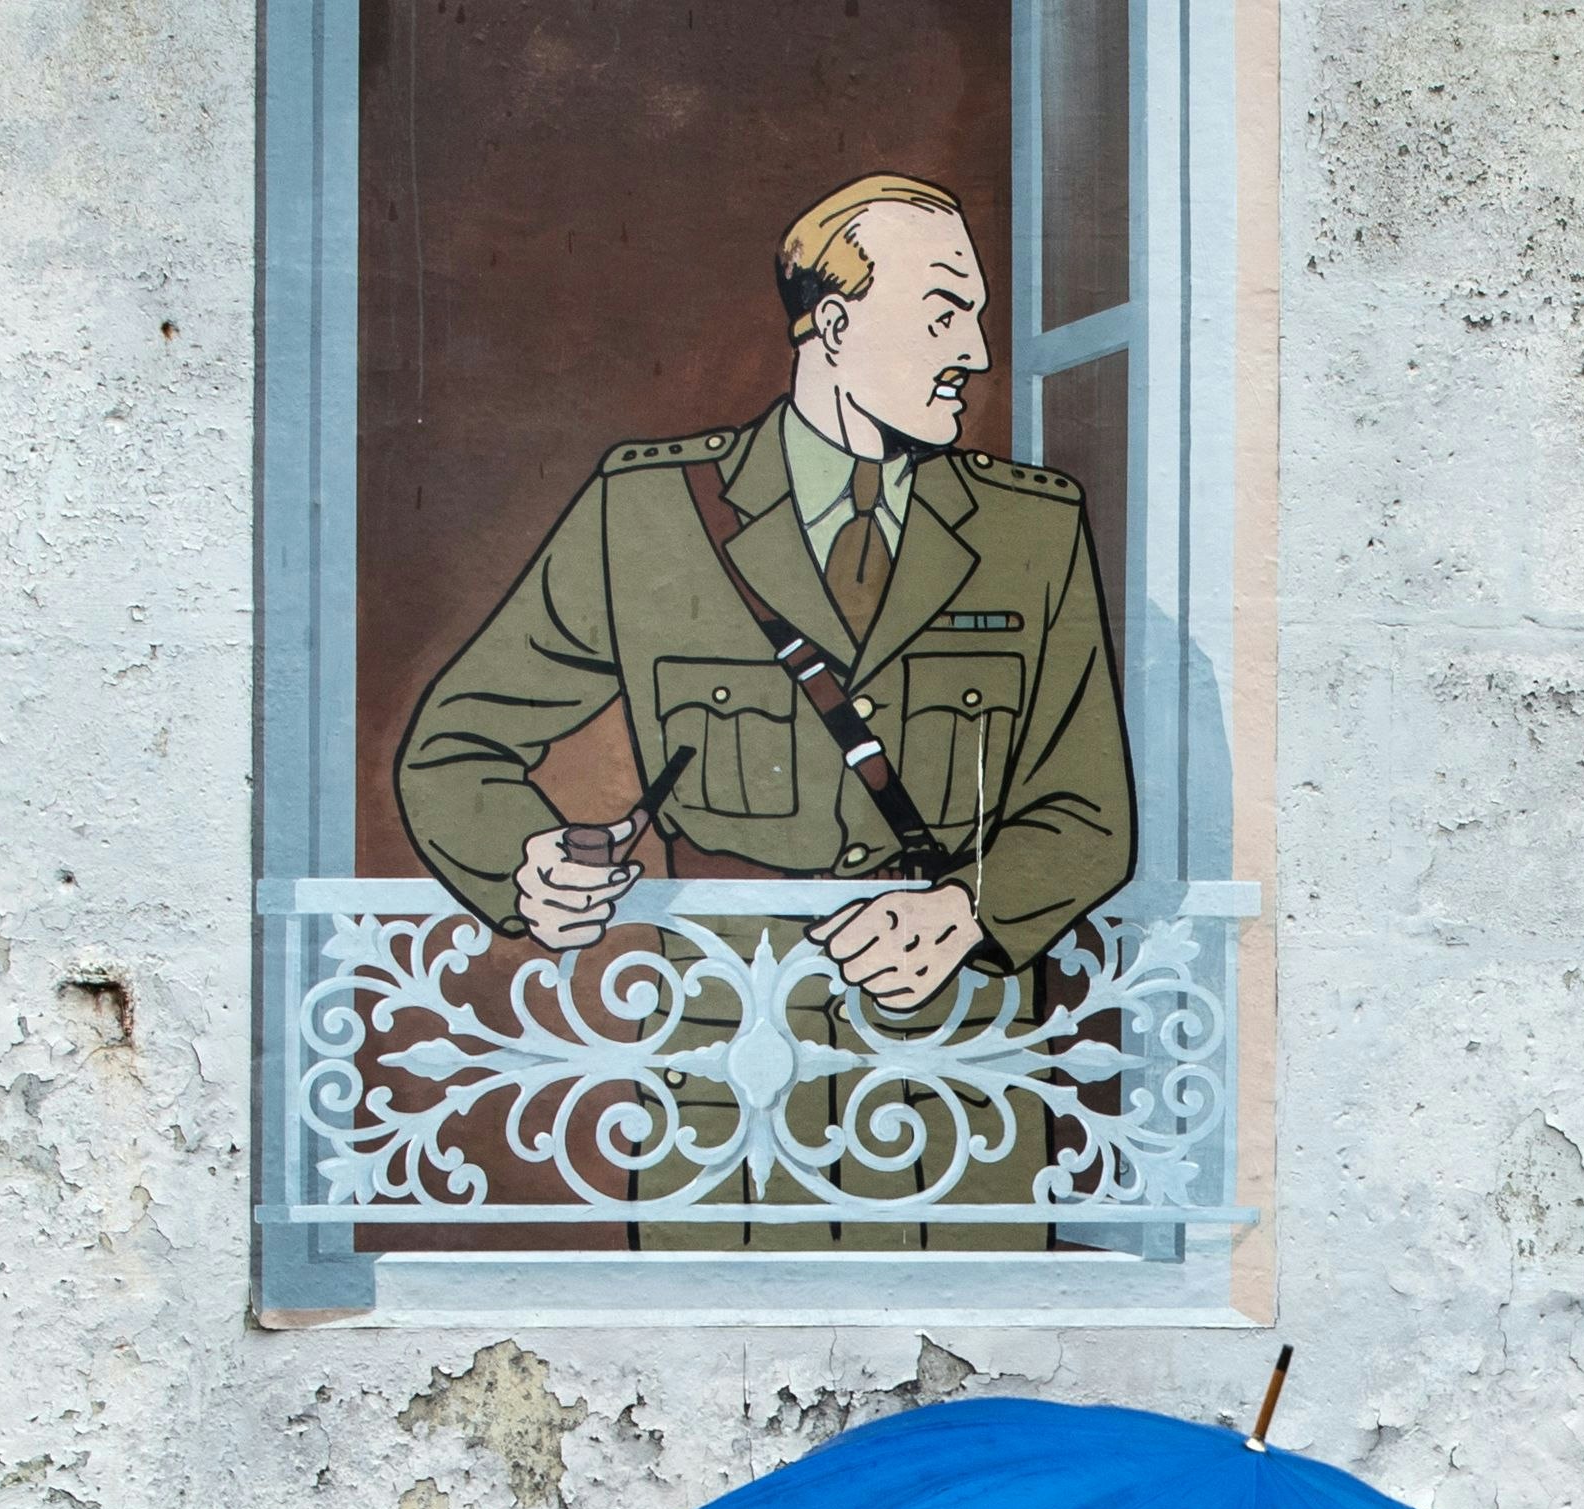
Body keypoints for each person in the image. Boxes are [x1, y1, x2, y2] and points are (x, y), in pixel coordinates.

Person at [393, 173, 1135, 1250]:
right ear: (834, 325)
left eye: (972, 314)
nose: (974, 350)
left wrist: (967, 911)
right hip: (724, 1061)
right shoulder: (648, 514)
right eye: (943, 312)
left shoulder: (1032, 534)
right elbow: (454, 746)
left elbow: (1087, 809)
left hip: (963, 1069)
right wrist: (527, 866)